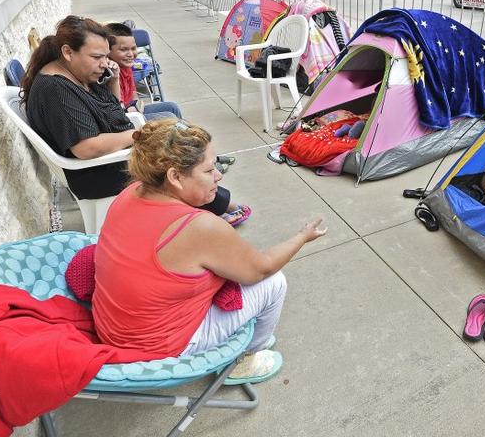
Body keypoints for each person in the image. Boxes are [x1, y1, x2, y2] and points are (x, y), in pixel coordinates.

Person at [93, 119, 328, 383]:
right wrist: (302, 237)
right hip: (158, 348)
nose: (218, 176)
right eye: (209, 170)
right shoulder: (199, 228)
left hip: (113, 328)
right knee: (274, 283)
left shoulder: (130, 192)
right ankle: (244, 361)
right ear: (174, 177)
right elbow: (261, 268)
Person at [20, 15, 249, 224]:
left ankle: (208, 203)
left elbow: (115, 111)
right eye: (97, 57)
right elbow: (86, 148)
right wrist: (138, 135)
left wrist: (113, 81)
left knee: (182, 146)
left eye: (105, 57)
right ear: (68, 52)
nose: (104, 63)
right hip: (96, 173)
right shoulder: (56, 90)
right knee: (179, 161)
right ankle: (212, 207)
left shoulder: (75, 74)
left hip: (108, 161)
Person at [104, 22, 182, 122]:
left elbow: (134, 95)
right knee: (169, 118)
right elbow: (119, 112)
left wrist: (135, 106)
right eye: (123, 50)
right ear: (107, 51)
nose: (130, 54)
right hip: (126, 119)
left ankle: (185, 135)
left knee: (172, 107)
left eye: (133, 48)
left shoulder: (126, 66)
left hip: (134, 111)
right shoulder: (110, 72)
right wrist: (134, 109)